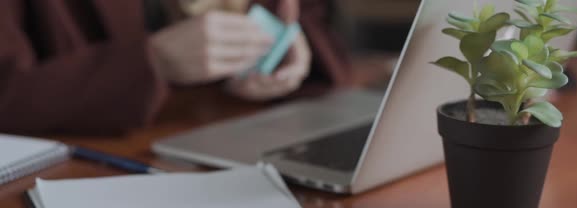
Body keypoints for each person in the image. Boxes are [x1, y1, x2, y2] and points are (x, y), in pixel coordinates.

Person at [0, 0, 350, 134]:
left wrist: (284, 33)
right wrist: (154, 62)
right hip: (89, 164)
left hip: (220, 125)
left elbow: (304, 12)